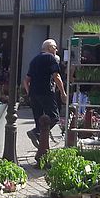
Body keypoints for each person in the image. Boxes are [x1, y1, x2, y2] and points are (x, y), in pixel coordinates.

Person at [24, 39, 68, 167]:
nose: (56, 50)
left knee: (40, 120)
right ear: (49, 47)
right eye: (55, 47)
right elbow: (56, 76)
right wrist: (63, 92)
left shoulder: (34, 59)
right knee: (54, 117)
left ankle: (41, 155)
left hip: (34, 94)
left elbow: (26, 80)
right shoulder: (50, 58)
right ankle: (36, 132)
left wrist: (29, 93)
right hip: (46, 92)